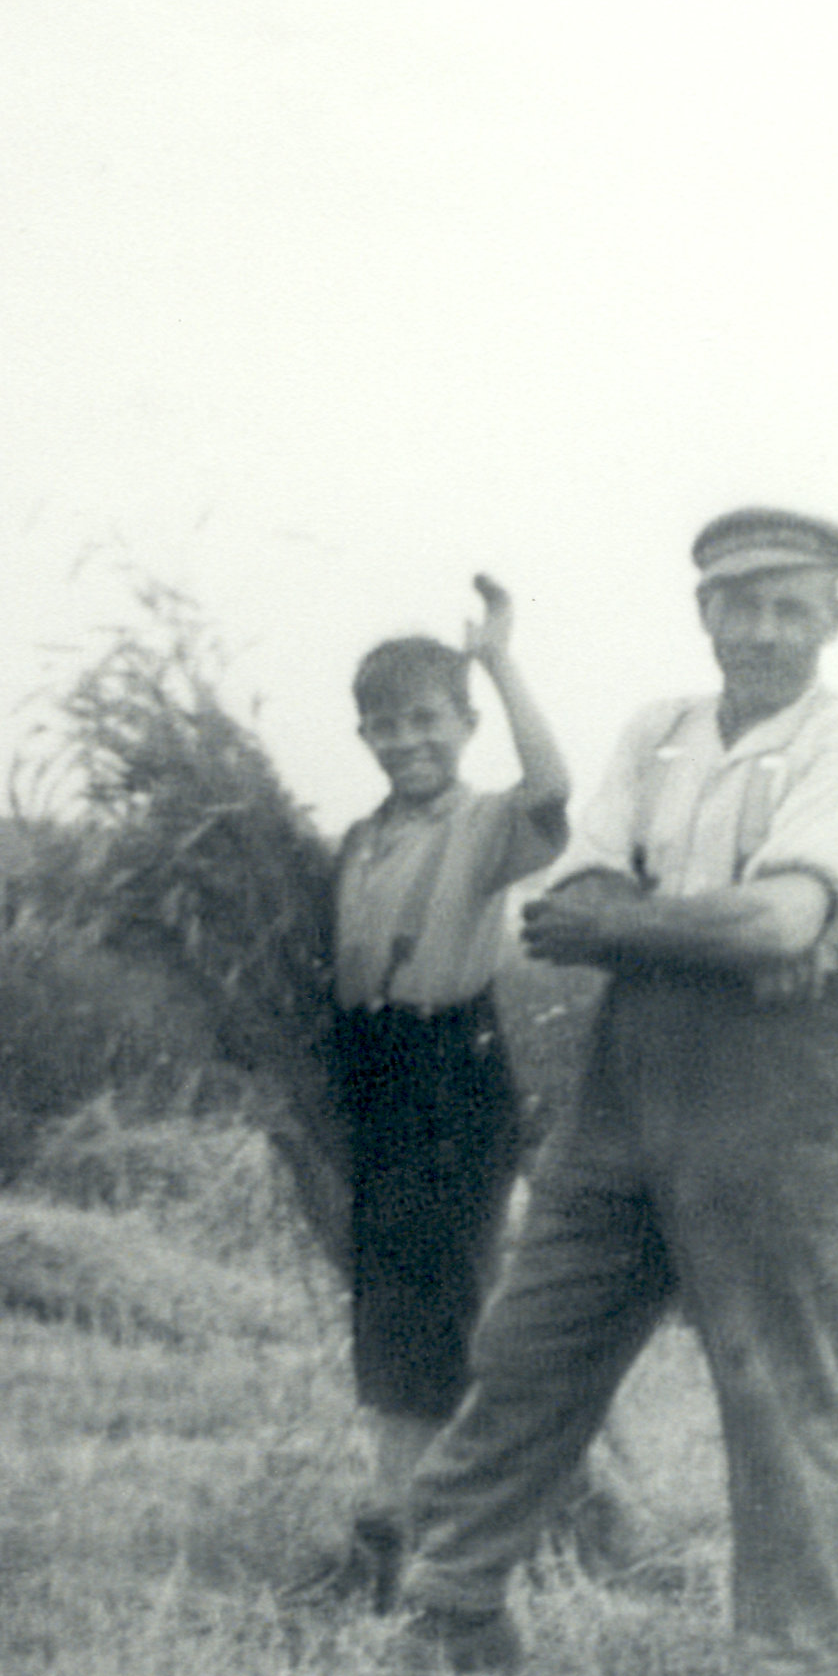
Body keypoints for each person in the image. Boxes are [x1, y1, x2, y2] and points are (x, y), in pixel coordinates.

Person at [394, 506, 838, 1676]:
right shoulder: (655, 732)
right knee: (531, 1345)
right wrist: (710, 927)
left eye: (791, 607)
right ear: (704, 613)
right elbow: (566, 901)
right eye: (741, 605)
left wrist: (641, 925)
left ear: (835, 619)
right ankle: (452, 1608)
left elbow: (778, 928)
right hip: (623, 1089)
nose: (765, 631)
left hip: (769, 1100)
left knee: (774, 1386)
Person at [302, 577, 570, 1610]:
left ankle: (450, 1535)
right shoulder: (358, 841)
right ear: (362, 736)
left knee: (447, 1299)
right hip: (375, 1075)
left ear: (464, 725)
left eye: (426, 719)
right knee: (386, 1297)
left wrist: (497, 660)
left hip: (453, 1074)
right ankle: (397, 1514)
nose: (406, 740)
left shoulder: (487, 824)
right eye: (385, 724)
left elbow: (551, 784)